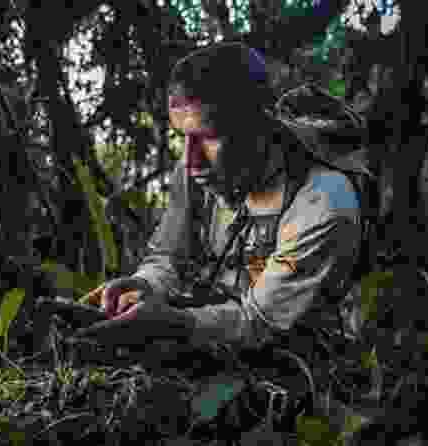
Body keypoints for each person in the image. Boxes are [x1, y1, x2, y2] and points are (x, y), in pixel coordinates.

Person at [76, 42, 362, 351]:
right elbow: (169, 257)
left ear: (260, 126)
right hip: (209, 340)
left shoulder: (322, 201)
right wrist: (145, 285)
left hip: (299, 364)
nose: (190, 160)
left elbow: (259, 324)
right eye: (182, 136)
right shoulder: (195, 171)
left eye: (209, 136)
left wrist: (170, 324)